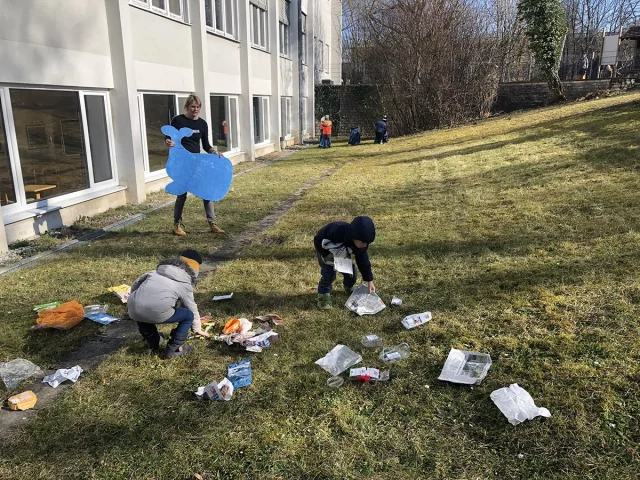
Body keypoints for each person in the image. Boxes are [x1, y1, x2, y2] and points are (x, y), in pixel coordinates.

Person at [128, 249, 209, 359]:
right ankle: (174, 349)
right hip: (157, 312)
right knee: (188, 315)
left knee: (142, 307)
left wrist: (133, 299)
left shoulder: (153, 273)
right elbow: (191, 307)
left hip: (134, 309)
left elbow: (135, 284)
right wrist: (197, 328)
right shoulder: (184, 284)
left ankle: (152, 342)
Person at [165, 94, 225, 236]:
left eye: (197, 107)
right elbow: (169, 136)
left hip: (196, 163)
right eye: (192, 106)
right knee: (182, 194)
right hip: (182, 163)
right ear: (187, 107)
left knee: (206, 191)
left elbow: (206, 145)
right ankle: (176, 225)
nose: (195, 109)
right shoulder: (178, 120)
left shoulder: (202, 124)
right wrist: (168, 141)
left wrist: (214, 153)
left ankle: (213, 223)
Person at [314, 216, 376, 310]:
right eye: (363, 242)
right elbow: (318, 239)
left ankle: (349, 286)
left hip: (342, 255)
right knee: (329, 274)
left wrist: (369, 280)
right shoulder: (337, 230)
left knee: (351, 273)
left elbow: (364, 262)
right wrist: (325, 254)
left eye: (367, 243)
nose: (365, 245)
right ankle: (323, 295)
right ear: (354, 237)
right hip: (326, 252)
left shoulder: (361, 246)